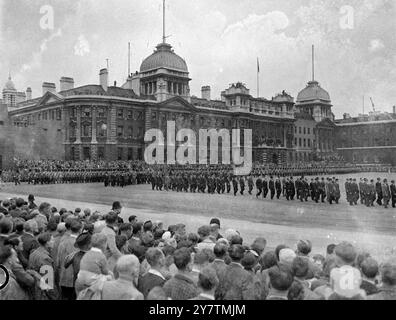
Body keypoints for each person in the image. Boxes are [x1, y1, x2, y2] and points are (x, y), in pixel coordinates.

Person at [28, 232, 59, 300]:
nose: (54, 242)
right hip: (43, 294)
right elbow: (48, 283)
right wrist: (55, 296)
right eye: (52, 240)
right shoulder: (45, 258)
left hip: (34, 290)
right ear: (47, 243)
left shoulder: (33, 253)